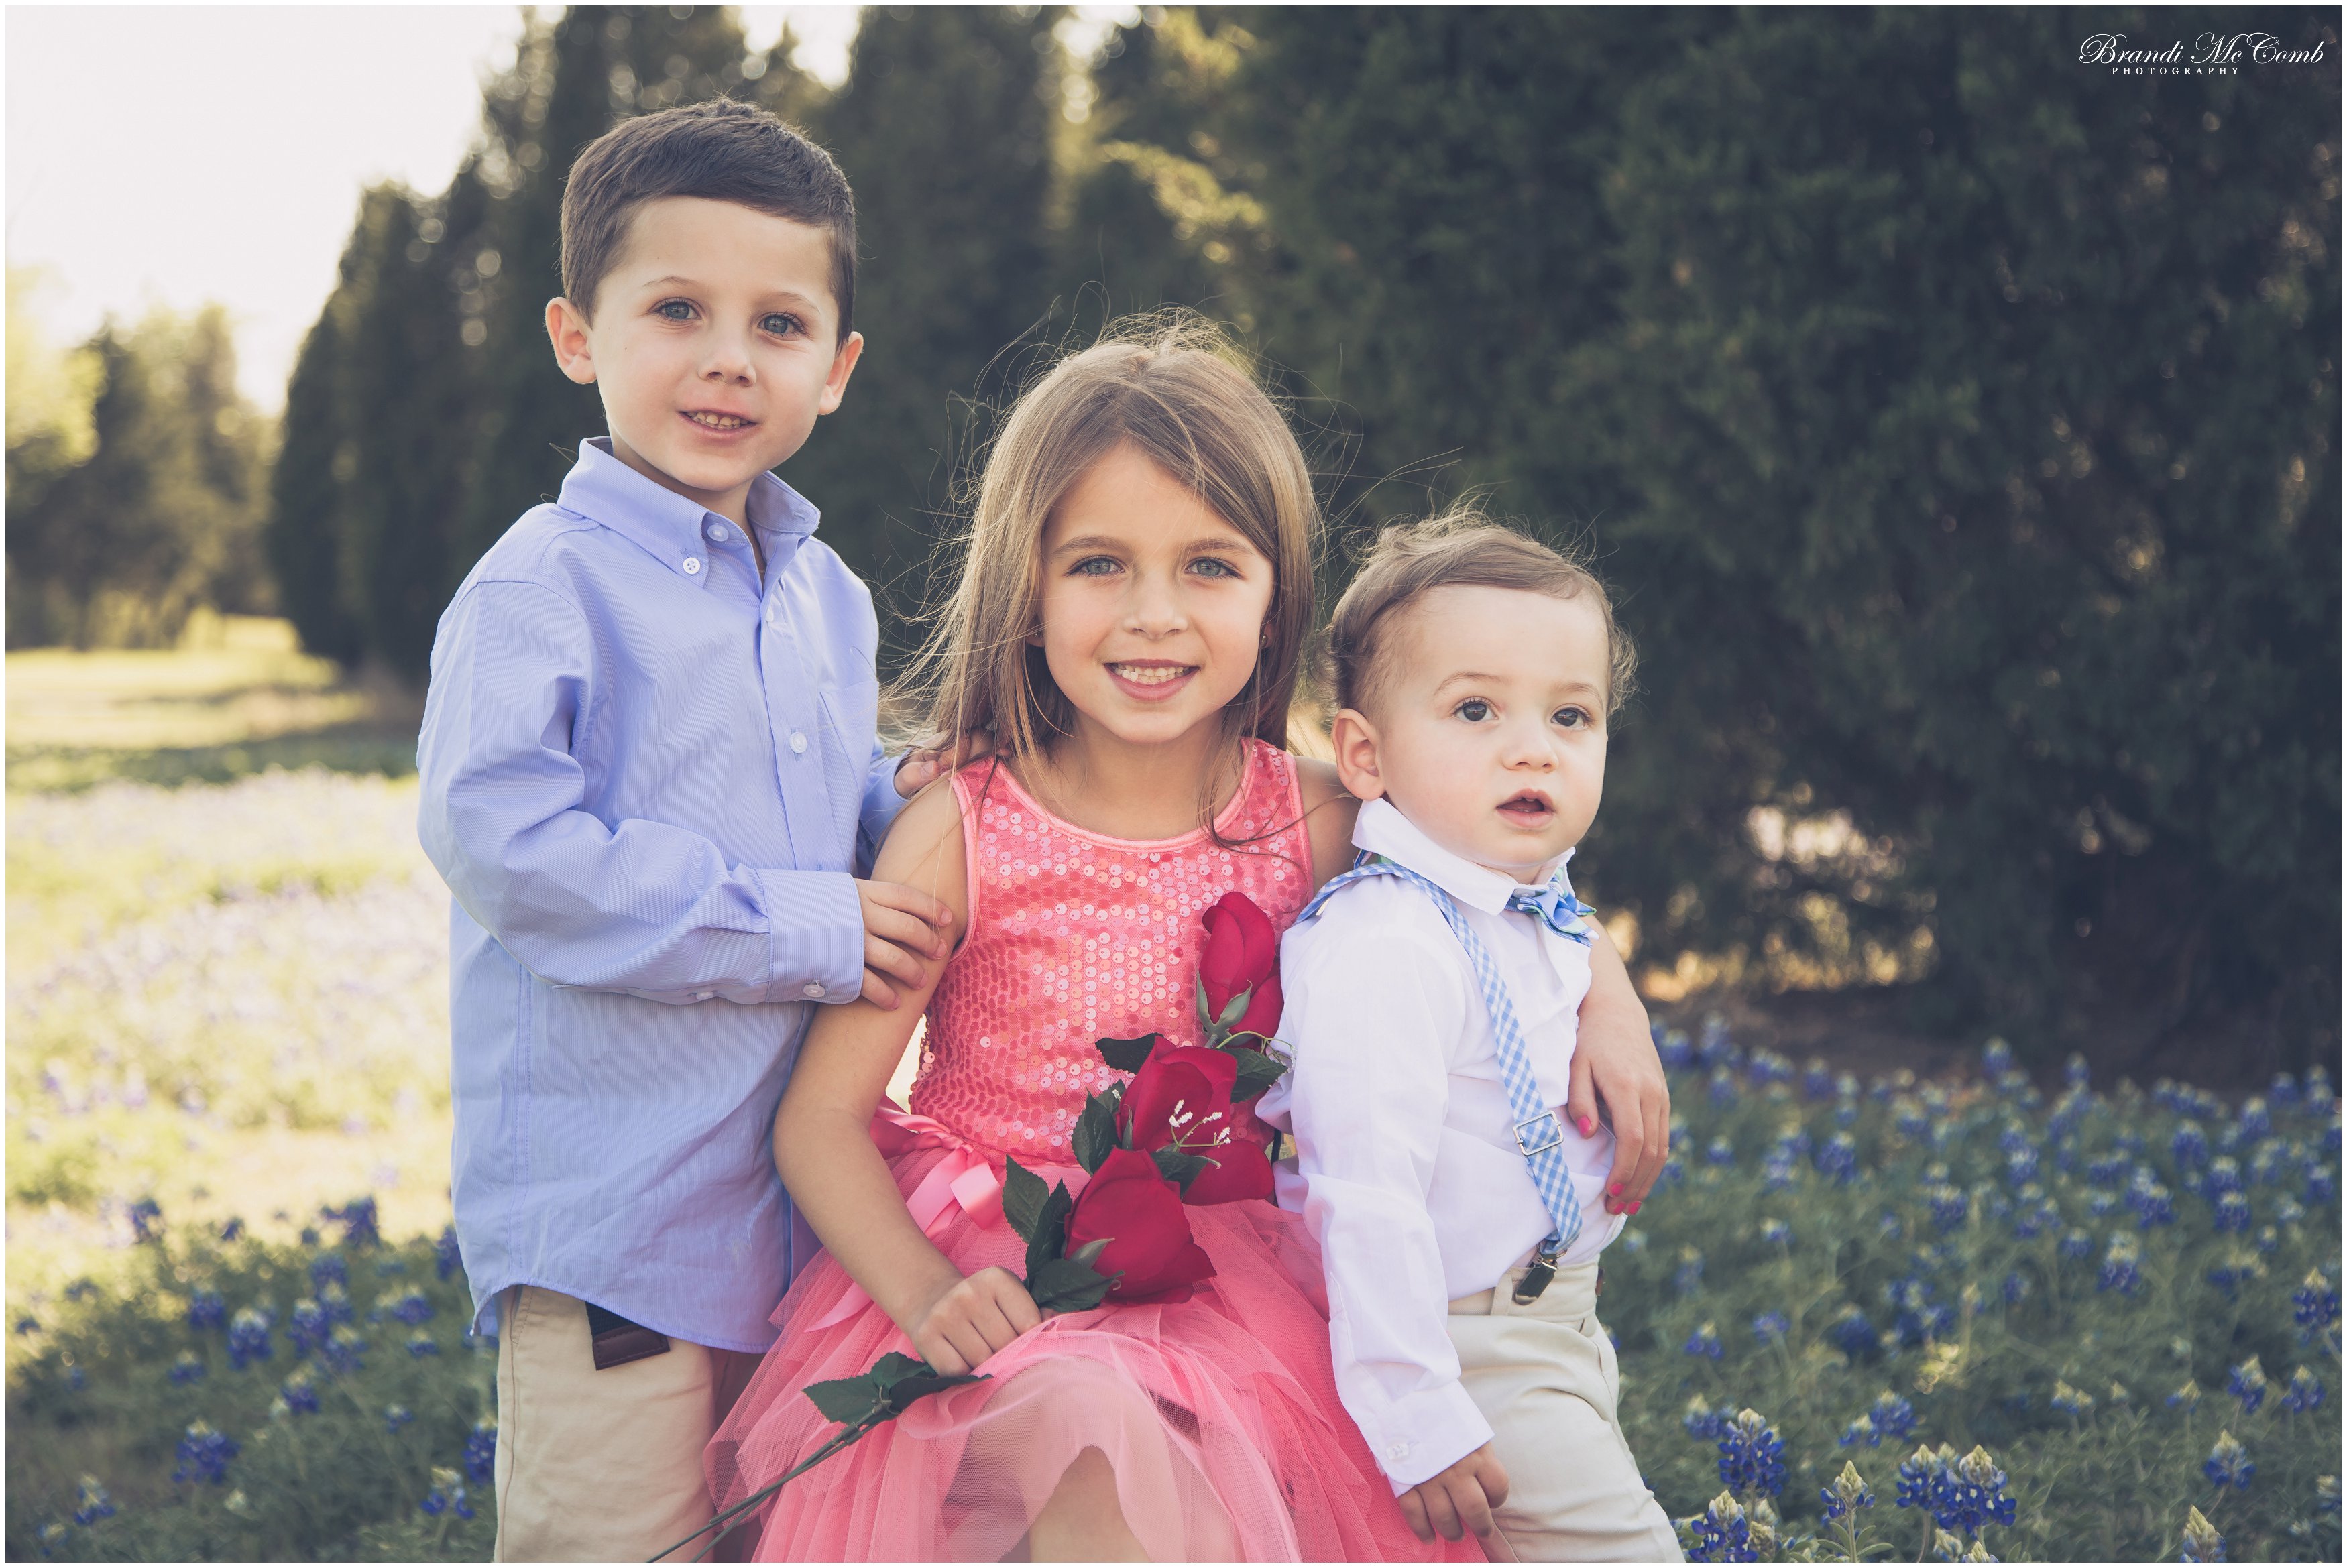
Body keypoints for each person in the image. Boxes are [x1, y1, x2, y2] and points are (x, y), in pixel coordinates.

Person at [704, 318, 1670, 1560]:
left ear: (1276, 602)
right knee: (1090, 1430)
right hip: (993, 1258)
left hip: (1229, 1280)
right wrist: (928, 1294)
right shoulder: (962, 828)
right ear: (1028, 591)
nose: (1154, 616)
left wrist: (1609, 993)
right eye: (1099, 565)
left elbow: (1506, 876)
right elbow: (821, 1120)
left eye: (1210, 566)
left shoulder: (1318, 815)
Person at [416, 100, 965, 1561]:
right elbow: (514, 852)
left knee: (771, 1535)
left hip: (796, 1226)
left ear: (837, 369)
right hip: (623, 1233)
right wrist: (805, 928)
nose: (731, 358)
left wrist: (911, 802)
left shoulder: (826, 595)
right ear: (575, 336)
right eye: (677, 310)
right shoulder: (541, 587)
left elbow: (819, 799)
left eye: (780, 324)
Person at [1256, 515, 1682, 1560]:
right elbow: (1366, 1192)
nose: (1533, 746)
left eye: (1571, 715)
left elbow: (1568, 918)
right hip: (1464, 1345)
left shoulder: (1521, 898)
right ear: (1365, 754)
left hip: (1555, 1323)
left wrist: (1611, 996)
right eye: (1476, 709)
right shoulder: (1387, 941)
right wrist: (1417, 1411)